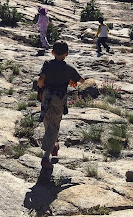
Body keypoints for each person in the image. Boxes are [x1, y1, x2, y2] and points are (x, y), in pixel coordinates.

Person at [35, 40, 84, 184]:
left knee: (46, 120)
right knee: (54, 125)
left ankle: (54, 145)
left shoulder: (47, 64)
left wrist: (41, 88)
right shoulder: (69, 68)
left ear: (52, 52)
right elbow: (80, 80)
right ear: (66, 54)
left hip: (46, 95)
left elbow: (40, 79)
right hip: (58, 98)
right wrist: (71, 81)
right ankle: (46, 157)